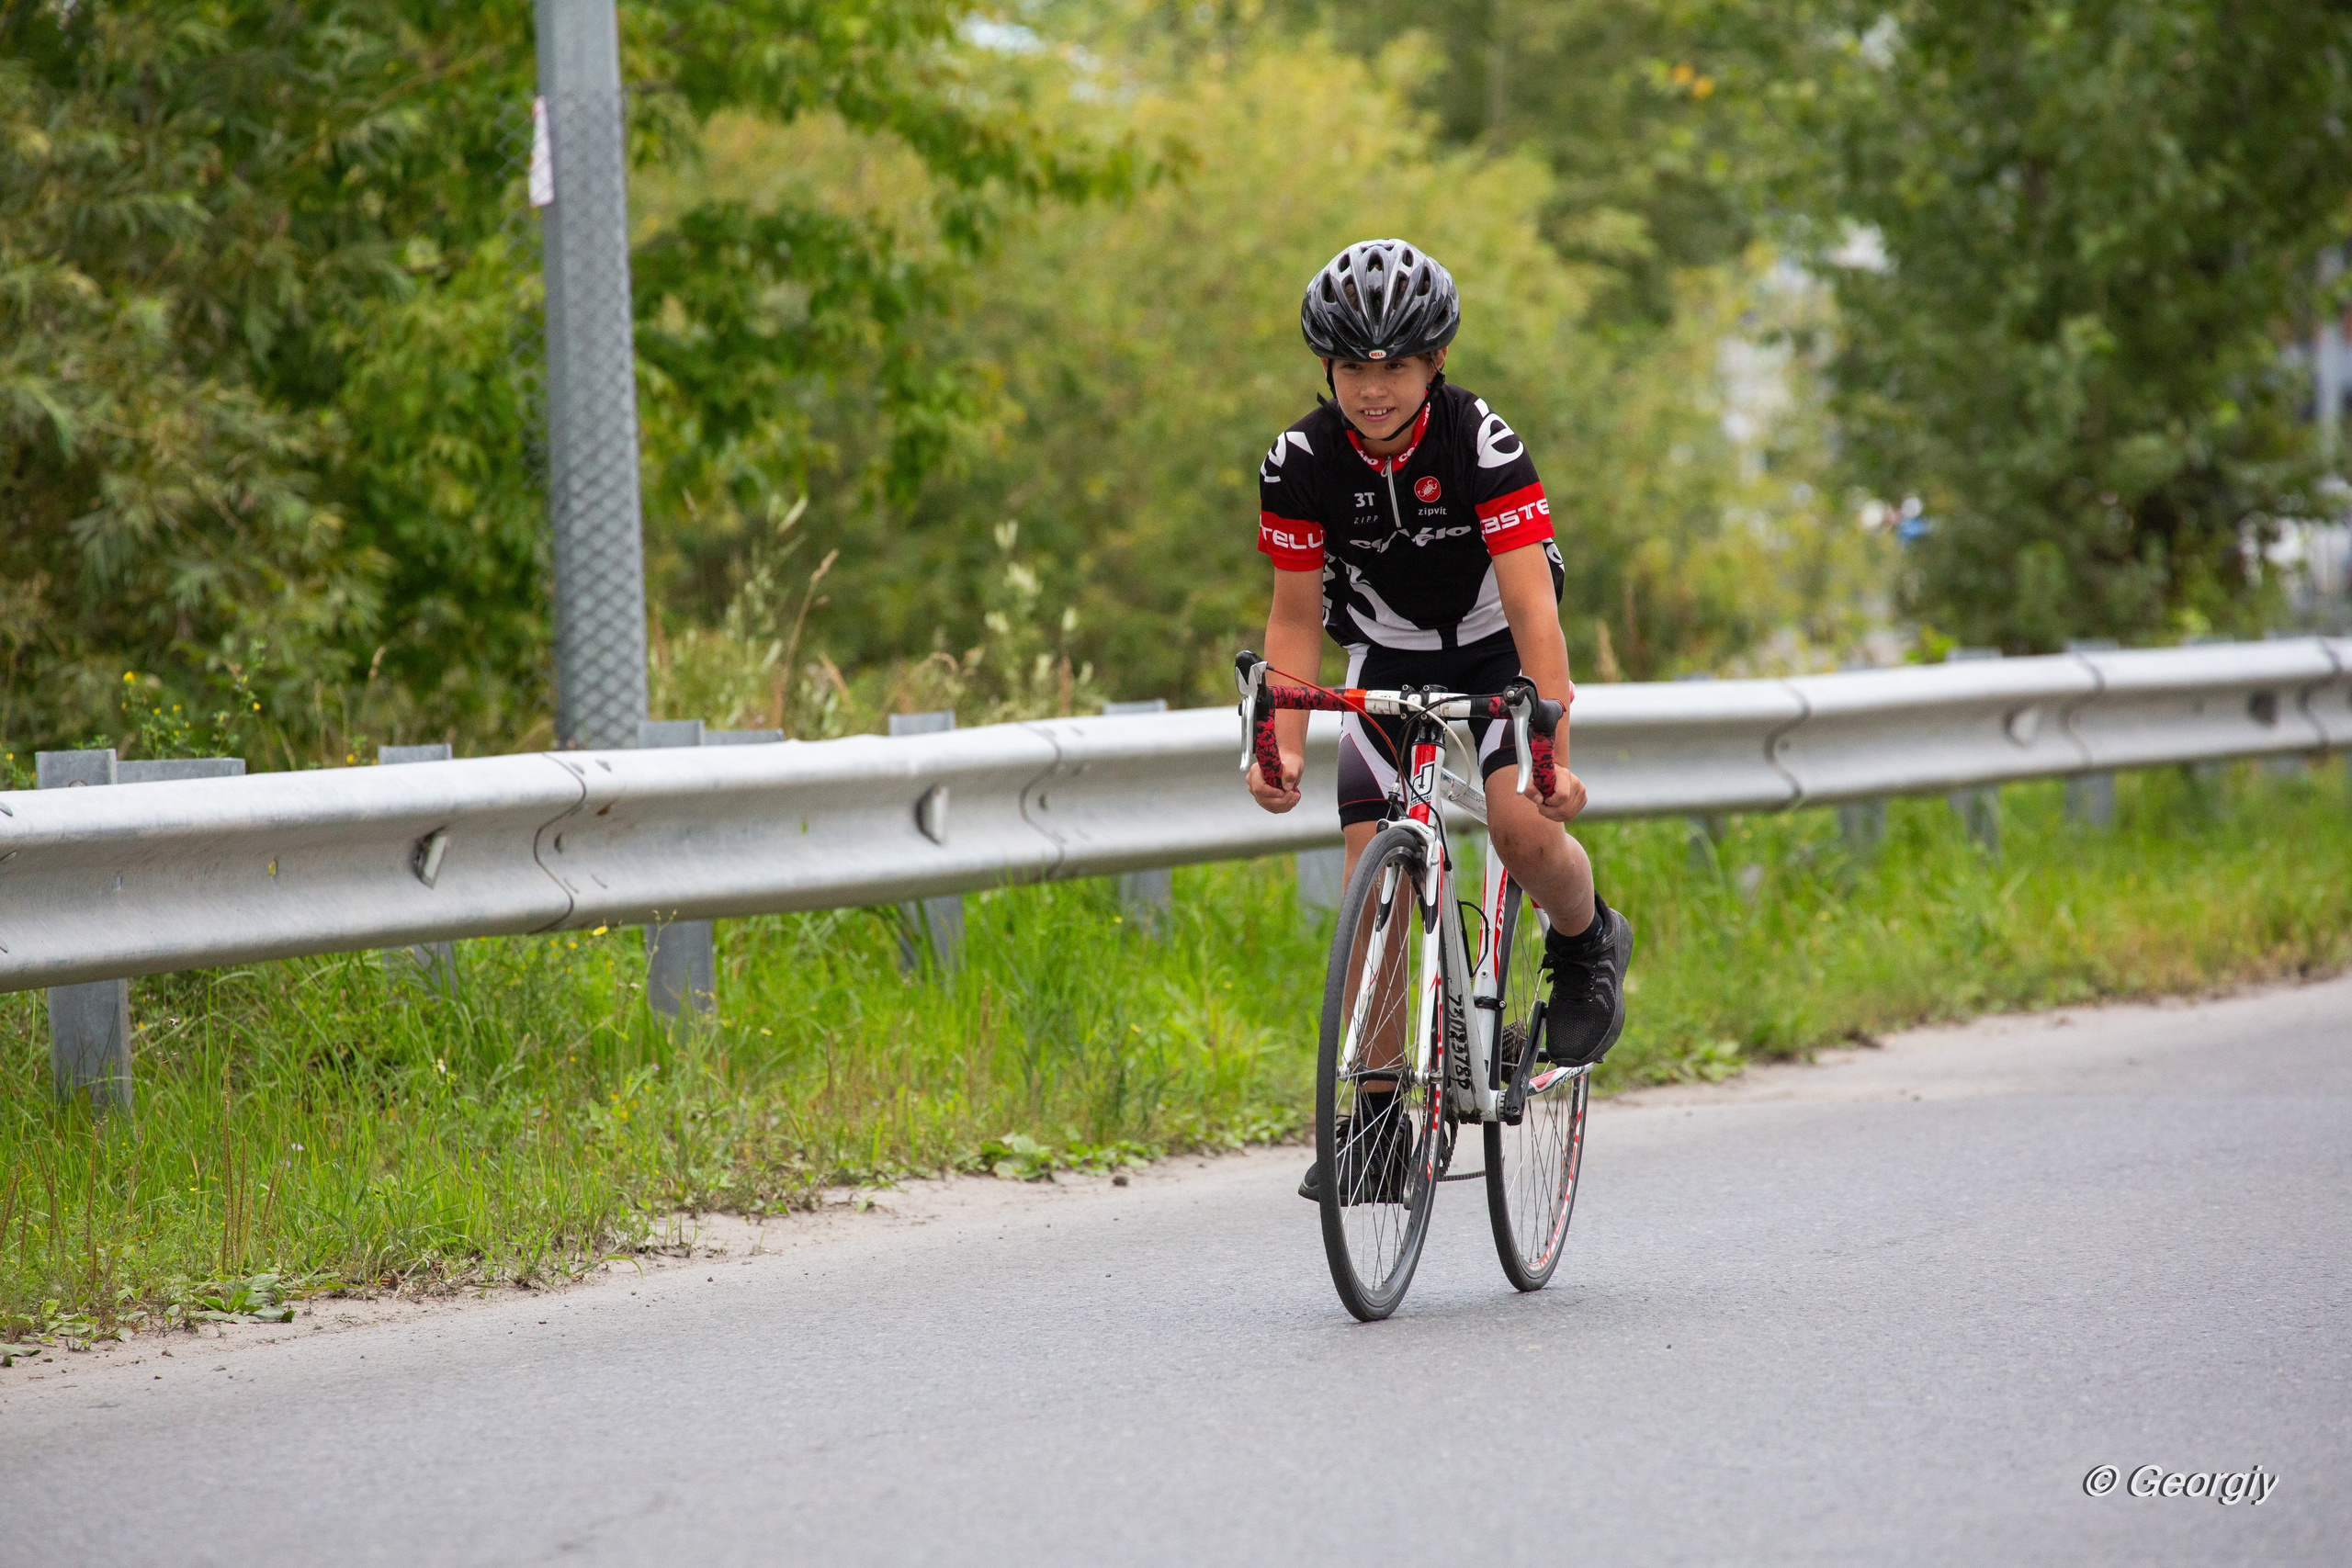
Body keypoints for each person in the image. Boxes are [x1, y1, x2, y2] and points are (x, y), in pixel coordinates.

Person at [1242, 239, 1632, 1201]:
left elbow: (1535, 612)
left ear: (1436, 363)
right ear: (1325, 367)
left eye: (1396, 367)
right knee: (1371, 887)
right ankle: (1379, 1123)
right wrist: (1280, 746)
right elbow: (1294, 617)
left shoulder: (1480, 443)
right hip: (1385, 655)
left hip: (1498, 649)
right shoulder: (1299, 461)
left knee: (1520, 831)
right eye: (1352, 368)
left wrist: (1551, 760)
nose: (1373, 389)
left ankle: (1586, 940)